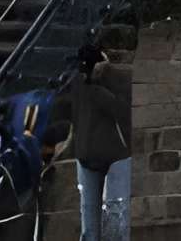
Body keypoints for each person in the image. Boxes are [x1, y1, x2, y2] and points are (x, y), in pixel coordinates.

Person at [62, 40, 133, 241]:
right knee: (100, 221)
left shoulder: (111, 81)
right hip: (98, 156)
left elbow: (123, 112)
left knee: (105, 220)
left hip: (105, 155)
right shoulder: (82, 86)